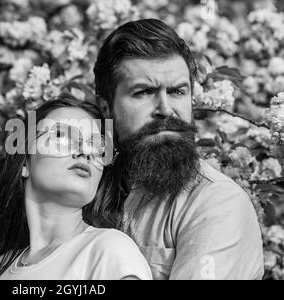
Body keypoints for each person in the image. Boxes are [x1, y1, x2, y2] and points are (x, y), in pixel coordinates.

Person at [93, 19, 264, 280]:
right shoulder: (87, 186)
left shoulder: (216, 202)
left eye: (177, 91)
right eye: (144, 92)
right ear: (106, 108)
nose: (165, 108)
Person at [0, 95, 152, 280]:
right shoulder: (0, 269)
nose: (86, 152)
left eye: (98, 147)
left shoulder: (108, 250)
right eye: (61, 136)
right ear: (24, 163)